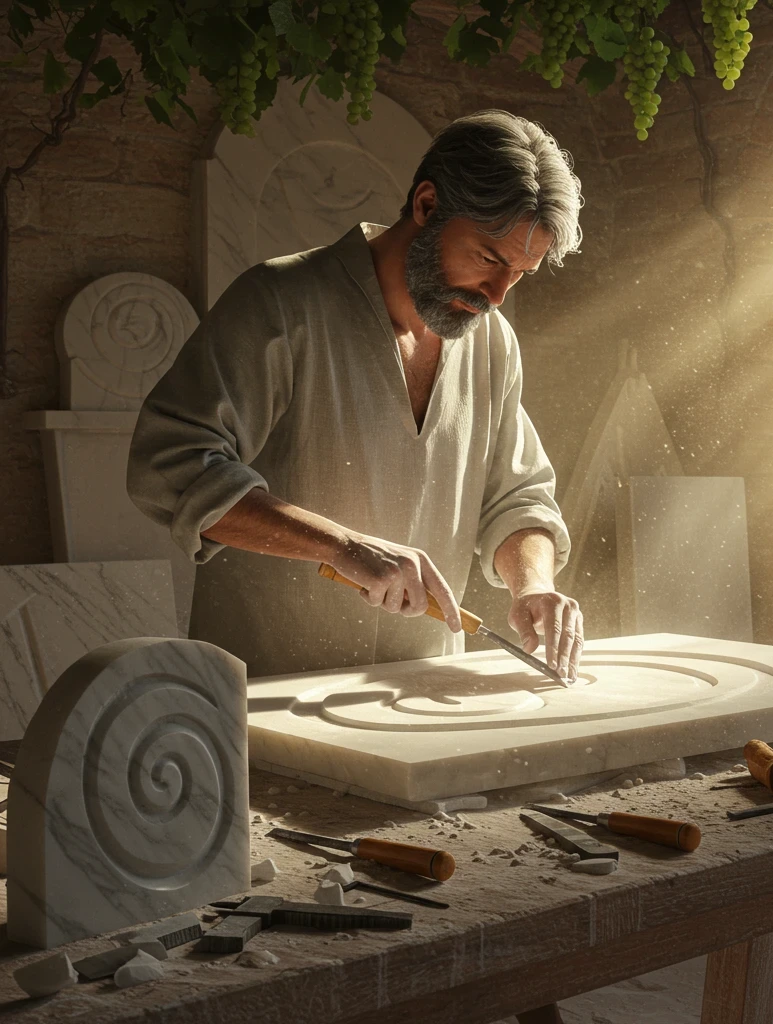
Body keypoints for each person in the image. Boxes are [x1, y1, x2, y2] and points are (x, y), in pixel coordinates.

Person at [128, 110, 583, 1024]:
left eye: (520, 276)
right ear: (425, 203)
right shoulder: (280, 301)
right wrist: (339, 544)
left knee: (467, 954)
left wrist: (530, 581)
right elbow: (172, 460)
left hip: (422, 721)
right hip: (274, 719)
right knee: (294, 978)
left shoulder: (488, 340)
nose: (498, 294)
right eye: (489, 259)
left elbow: (519, 494)